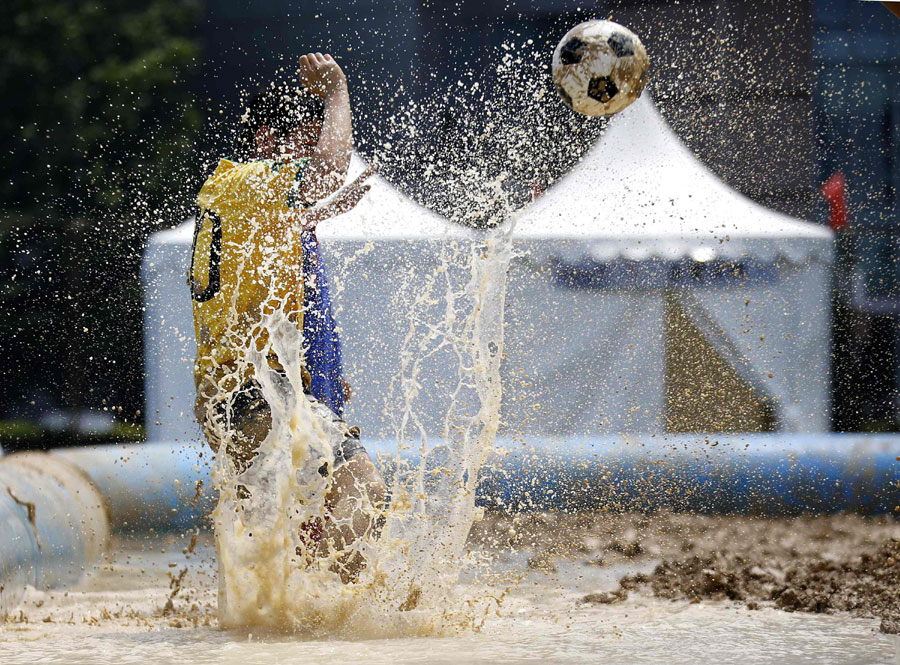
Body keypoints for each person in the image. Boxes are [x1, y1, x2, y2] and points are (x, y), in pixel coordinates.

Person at [188, 52, 385, 582]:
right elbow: (328, 169)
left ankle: (281, 634)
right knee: (362, 489)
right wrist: (337, 90)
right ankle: (347, 632)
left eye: (319, 136)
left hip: (244, 394)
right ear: (266, 139)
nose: (317, 150)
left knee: (297, 530)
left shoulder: (241, 196)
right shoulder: (251, 182)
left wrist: (324, 384)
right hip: (251, 394)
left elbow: (259, 290)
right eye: (309, 136)